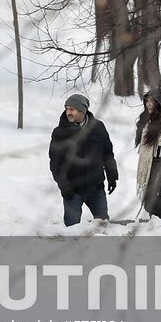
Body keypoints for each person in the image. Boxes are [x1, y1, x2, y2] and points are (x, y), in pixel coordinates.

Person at [49, 93, 118, 227]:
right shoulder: (59, 133)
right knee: (72, 229)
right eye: (66, 109)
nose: (68, 112)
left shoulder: (98, 127)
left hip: (96, 188)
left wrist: (112, 176)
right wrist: (63, 185)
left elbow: (108, 154)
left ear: (82, 111)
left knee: (103, 226)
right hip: (73, 191)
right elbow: (55, 163)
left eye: (71, 109)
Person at [134, 87, 161, 203]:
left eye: (151, 101)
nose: (148, 104)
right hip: (151, 169)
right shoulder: (147, 120)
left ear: (159, 103)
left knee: (160, 205)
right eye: (146, 101)